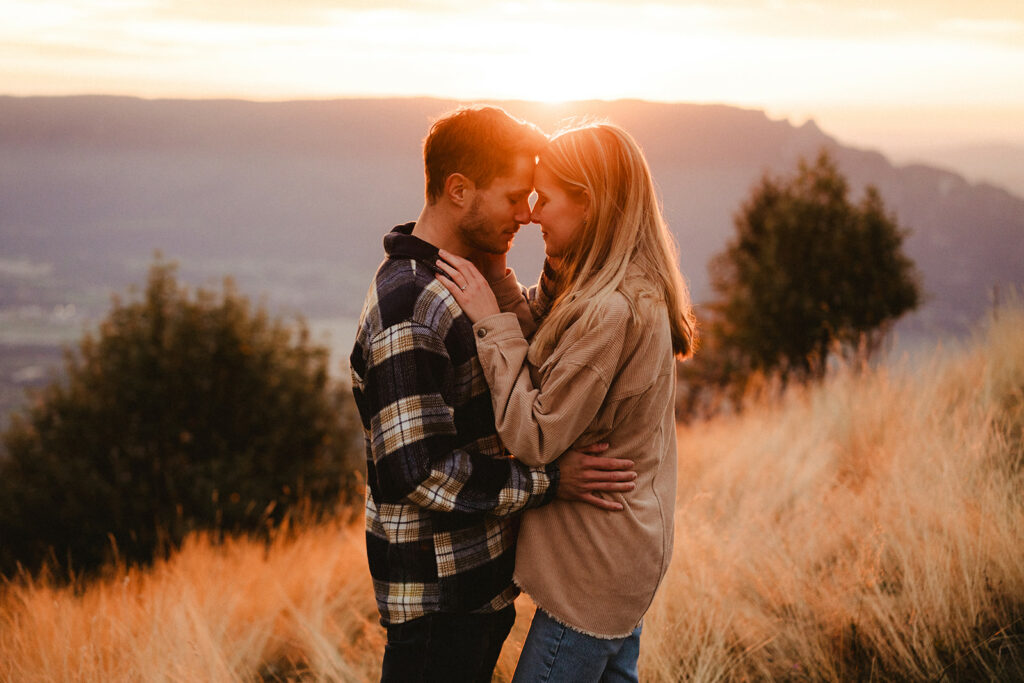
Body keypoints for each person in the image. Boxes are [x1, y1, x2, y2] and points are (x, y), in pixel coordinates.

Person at [349, 106, 639, 683]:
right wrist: (551, 482)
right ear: (459, 191)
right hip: (436, 602)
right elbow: (418, 472)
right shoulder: (410, 306)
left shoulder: (463, 280)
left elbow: (531, 354)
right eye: (513, 197)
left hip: (476, 589)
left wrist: (503, 270)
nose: (527, 214)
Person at [435, 121, 697, 682]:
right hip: (620, 553)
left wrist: (490, 323)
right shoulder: (615, 283)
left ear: (591, 205)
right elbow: (552, 344)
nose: (531, 215)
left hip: (593, 569)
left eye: (544, 199)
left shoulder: (611, 311)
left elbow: (534, 436)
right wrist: (501, 282)